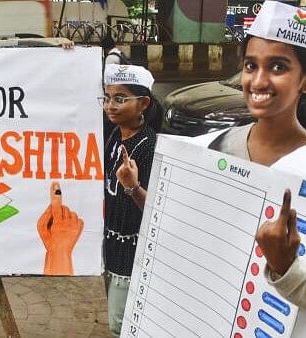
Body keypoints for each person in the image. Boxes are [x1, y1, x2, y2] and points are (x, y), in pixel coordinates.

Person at [202, 1, 306, 320]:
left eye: (277, 67)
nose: (258, 81)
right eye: (250, 65)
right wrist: (137, 190)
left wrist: (286, 268)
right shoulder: (218, 145)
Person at [100, 64, 163, 336]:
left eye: (120, 98)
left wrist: (133, 186)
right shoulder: (115, 134)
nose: (111, 105)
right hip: (110, 248)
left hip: (131, 252)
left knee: (120, 324)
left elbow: (156, 209)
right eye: (107, 97)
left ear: (143, 103)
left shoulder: (149, 146)